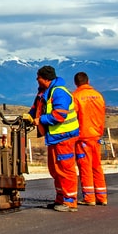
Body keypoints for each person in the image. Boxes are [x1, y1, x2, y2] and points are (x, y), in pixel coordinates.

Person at [26, 65, 80, 212]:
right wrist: (28, 117)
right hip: (55, 137)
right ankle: (60, 198)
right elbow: (36, 108)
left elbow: (59, 115)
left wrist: (41, 120)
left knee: (65, 169)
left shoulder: (59, 93)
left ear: (45, 79)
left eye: (38, 77)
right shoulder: (44, 93)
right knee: (55, 169)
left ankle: (70, 201)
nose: (36, 80)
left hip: (64, 137)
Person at [73, 72, 108, 206]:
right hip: (96, 136)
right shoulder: (99, 96)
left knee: (85, 167)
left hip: (83, 137)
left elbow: (73, 116)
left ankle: (89, 197)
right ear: (88, 81)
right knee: (97, 166)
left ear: (76, 82)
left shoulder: (76, 96)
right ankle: (102, 197)